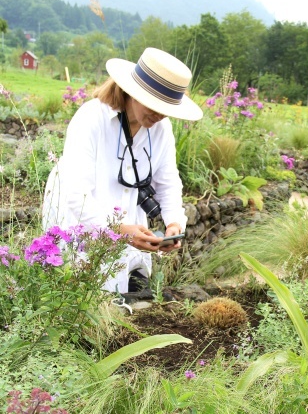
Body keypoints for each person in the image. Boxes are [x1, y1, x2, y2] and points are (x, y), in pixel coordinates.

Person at [42, 47, 203, 293]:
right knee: (81, 299)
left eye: (166, 109)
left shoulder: (161, 129)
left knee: (127, 300)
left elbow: (168, 181)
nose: (160, 115)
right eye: (154, 105)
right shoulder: (91, 119)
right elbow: (77, 196)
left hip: (129, 228)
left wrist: (173, 224)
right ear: (133, 92)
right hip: (82, 225)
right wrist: (119, 231)